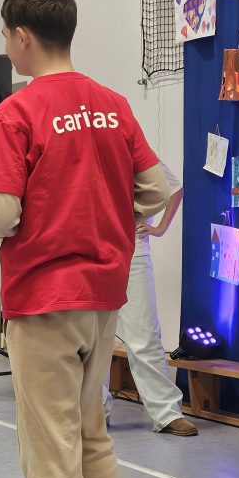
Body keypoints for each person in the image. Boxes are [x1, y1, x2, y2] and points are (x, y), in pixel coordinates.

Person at [0, 0, 169, 478]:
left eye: (6, 36)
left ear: (22, 37)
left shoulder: (14, 112)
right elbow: (156, 190)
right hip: (102, 295)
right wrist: (107, 216)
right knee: (90, 436)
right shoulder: (113, 105)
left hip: (43, 297)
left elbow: (0, 214)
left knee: (52, 450)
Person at [101, 161, 196, 436]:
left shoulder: (133, 148)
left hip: (132, 250)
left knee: (144, 335)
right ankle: (94, 412)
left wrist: (160, 228)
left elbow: (174, 188)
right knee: (94, 336)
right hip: (91, 250)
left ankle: (166, 412)